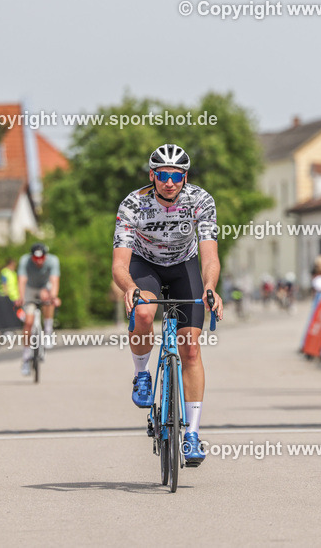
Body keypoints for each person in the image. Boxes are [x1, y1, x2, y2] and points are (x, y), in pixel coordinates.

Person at [111, 143, 224, 468]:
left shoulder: (200, 200)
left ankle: (192, 434)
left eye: (176, 175)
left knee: (191, 350)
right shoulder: (133, 204)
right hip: (144, 266)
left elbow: (210, 255)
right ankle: (141, 374)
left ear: (185, 177)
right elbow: (119, 264)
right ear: (152, 176)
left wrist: (210, 287)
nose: (170, 182)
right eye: (163, 175)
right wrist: (130, 287)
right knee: (144, 313)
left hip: (183, 266)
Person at [17, 242, 61, 376]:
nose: (39, 261)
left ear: (45, 256)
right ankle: (26, 357)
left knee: (48, 300)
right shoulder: (24, 261)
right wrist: (21, 297)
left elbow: (54, 281)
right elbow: (22, 280)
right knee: (28, 323)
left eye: (41, 258)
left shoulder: (53, 260)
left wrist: (54, 297)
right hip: (30, 289)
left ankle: (48, 332)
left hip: (44, 287)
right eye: (36, 259)